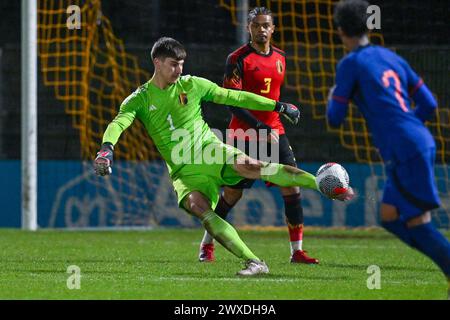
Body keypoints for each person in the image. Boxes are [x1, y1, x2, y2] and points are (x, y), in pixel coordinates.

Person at [94, 37, 349, 276]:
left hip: (211, 152)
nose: (179, 70)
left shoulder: (193, 85)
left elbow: (233, 96)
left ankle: (321, 184)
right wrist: (107, 149)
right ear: (157, 63)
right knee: (199, 208)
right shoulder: (139, 99)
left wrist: (278, 106)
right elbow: (119, 123)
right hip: (184, 172)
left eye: (181, 64)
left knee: (253, 166)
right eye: (173, 65)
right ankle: (255, 262)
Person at [328, 0, 450, 297]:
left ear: (341, 30)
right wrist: (408, 127)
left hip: (405, 148)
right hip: (416, 141)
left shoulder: (350, 64)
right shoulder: (390, 57)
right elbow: (430, 105)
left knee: (417, 223)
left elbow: (334, 118)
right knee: (389, 216)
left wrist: (334, 94)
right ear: (368, 26)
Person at [198, 7, 319, 264]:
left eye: (266, 25)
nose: (261, 29)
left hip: (275, 132)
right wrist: (259, 128)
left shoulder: (281, 57)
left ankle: (296, 251)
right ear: (249, 28)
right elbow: (232, 102)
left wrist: (280, 113)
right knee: (232, 194)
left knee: (291, 185)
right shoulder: (238, 59)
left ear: (273, 29)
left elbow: (270, 98)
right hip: (244, 134)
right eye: (256, 25)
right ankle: (207, 244)